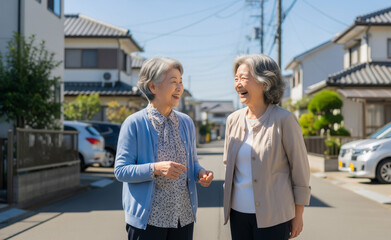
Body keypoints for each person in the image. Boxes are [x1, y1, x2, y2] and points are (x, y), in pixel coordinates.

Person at [114, 57, 214, 240]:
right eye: (173, 82)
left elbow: (192, 163)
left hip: (182, 217)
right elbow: (121, 171)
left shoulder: (186, 122)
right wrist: (156, 168)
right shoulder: (134, 123)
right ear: (152, 87)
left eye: (181, 82)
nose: (179, 88)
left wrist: (200, 173)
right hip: (149, 220)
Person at [223, 54, 311, 240]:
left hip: (275, 216)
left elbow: (300, 171)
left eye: (244, 78)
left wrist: (299, 214)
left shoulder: (284, 120)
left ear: (265, 82)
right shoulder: (233, 120)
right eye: (236, 79)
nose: (238, 83)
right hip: (238, 214)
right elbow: (228, 164)